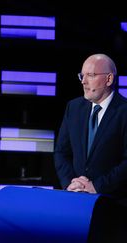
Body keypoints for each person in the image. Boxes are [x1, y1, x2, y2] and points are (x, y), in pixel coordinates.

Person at [54, 53, 127, 204]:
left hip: (112, 204)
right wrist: (71, 183)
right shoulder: (73, 108)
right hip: (75, 198)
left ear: (109, 79)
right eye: (82, 76)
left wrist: (96, 186)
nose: (84, 82)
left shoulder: (124, 111)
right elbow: (62, 152)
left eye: (91, 75)